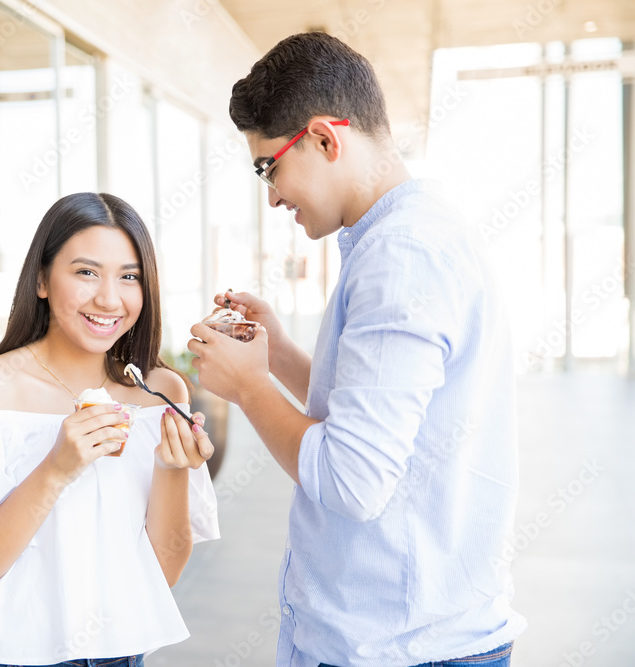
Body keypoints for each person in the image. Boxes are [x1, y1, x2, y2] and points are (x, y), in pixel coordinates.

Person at [187, 32, 526, 667]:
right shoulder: (410, 234)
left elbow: (352, 479)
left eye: (270, 167)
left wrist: (249, 389)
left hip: (401, 646)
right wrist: (280, 354)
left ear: (324, 138)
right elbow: (390, 419)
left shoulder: (401, 255)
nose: (272, 195)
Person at [0, 192, 220, 667]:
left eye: (129, 277)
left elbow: (162, 572)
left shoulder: (159, 392)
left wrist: (170, 467)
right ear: (41, 279)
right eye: (85, 272)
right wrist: (57, 469)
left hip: (117, 655)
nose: (108, 298)